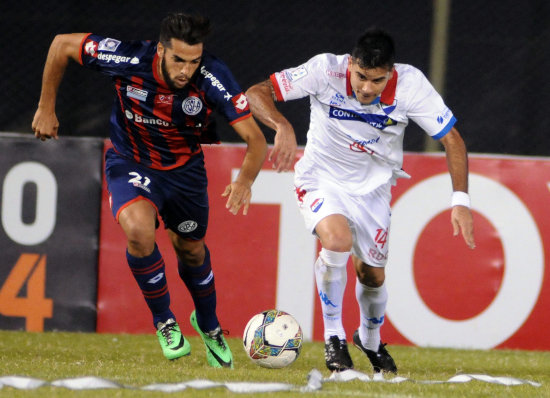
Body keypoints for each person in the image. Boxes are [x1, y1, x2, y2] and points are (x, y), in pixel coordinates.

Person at [32, 12, 267, 368]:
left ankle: (209, 324)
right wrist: (46, 106)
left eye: (194, 61)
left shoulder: (213, 76)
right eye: (178, 60)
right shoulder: (128, 58)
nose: (186, 70)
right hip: (131, 162)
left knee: (190, 251)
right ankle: (164, 321)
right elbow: (62, 44)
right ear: (160, 50)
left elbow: (256, 139)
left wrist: (245, 181)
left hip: (184, 172)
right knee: (139, 232)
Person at [246, 28, 475, 374]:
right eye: (361, 77)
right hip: (321, 178)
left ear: (392, 73)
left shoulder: (411, 85)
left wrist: (460, 200)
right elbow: (256, 93)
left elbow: (452, 139)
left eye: (378, 81)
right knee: (337, 241)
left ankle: (369, 338)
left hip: (374, 190)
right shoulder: (325, 70)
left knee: (372, 276)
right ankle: (333, 337)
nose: (367, 88)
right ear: (349, 64)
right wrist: (281, 125)